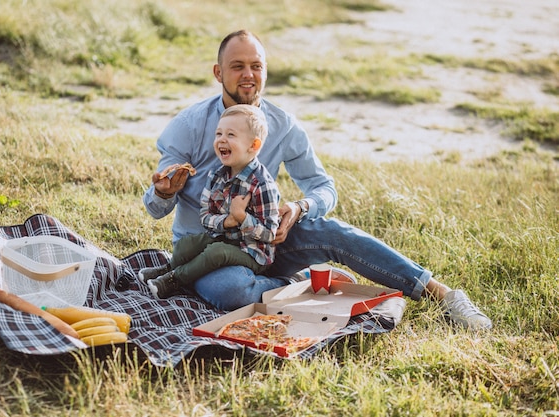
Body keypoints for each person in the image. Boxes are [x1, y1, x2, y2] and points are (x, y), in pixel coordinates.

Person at [143, 30, 492, 330]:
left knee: (335, 231)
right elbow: (155, 208)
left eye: (256, 66)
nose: (248, 74)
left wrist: (299, 207)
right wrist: (163, 192)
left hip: (265, 242)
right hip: (207, 248)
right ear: (219, 73)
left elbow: (324, 188)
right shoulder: (189, 125)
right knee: (230, 291)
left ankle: (443, 295)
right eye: (237, 66)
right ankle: (305, 281)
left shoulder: (284, 126)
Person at [139, 104, 280, 299]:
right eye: (218, 133)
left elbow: (270, 233)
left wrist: (242, 217)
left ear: (253, 145)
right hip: (225, 237)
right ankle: (168, 268)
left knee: (216, 252)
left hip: (254, 252)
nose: (222, 139)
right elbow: (205, 216)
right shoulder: (216, 175)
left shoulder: (262, 185)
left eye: (231, 135)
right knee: (187, 245)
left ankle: (174, 281)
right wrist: (227, 222)